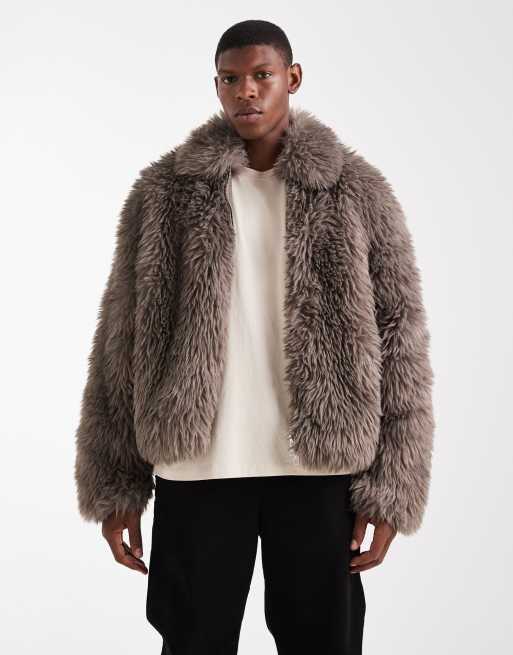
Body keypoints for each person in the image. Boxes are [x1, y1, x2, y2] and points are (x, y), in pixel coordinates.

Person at [74, 19, 435, 655]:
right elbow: (121, 337)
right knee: (193, 641)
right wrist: (116, 483)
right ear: (215, 86)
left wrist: (392, 489)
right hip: (200, 465)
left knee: (323, 642)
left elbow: (401, 338)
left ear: (291, 79)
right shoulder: (164, 194)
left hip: (319, 466)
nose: (246, 90)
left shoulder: (355, 191)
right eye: (230, 78)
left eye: (262, 75)